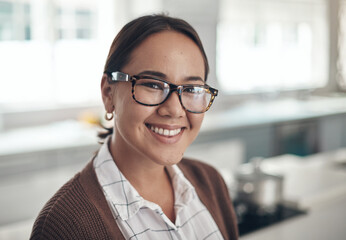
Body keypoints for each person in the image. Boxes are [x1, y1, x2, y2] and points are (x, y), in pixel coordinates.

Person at [30, 14, 238, 240]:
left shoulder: (210, 181)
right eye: (152, 84)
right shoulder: (64, 226)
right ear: (108, 93)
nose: (175, 110)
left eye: (191, 89)